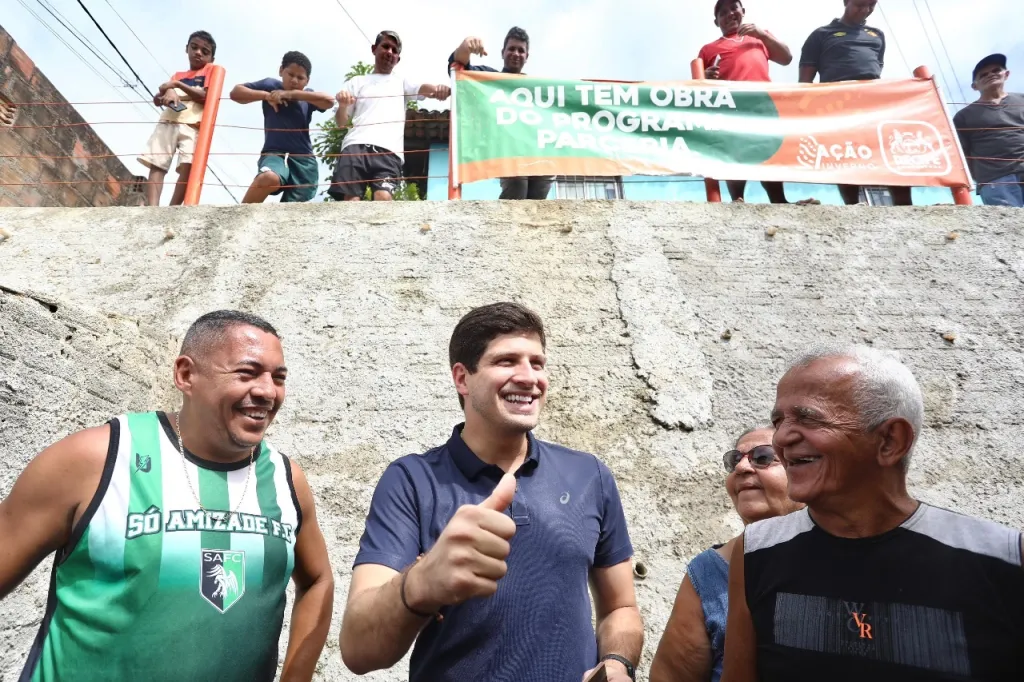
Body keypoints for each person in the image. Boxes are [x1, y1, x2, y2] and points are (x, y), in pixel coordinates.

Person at [1, 310, 334, 682]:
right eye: (247, 372)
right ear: (186, 375)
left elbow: (318, 579)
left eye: (279, 377)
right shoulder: (95, 459)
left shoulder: (286, 480)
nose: (267, 391)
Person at [339, 302, 643, 682]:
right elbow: (357, 650)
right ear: (462, 378)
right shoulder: (411, 480)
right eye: (507, 361)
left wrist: (617, 663)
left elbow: (621, 608)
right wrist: (419, 584)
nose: (529, 377)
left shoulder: (589, 475)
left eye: (537, 362)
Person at [721, 344, 1024, 682]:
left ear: (890, 441)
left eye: (808, 418)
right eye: (779, 421)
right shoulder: (757, 553)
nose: (782, 438)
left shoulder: (1004, 561)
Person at [649, 425, 802, 682]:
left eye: (762, 457)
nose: (741, 468)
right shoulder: (708, 572)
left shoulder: (841, 559)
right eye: (734, 460)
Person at [700, 1, 818, 205]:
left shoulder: (760, 38)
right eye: (723, 12)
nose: (730, 14)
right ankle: (737, 200)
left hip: (763, 105)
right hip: (730, 107)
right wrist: (704, 76)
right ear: (716, 21)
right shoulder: (709, 49)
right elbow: (696, 85)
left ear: (743, 12)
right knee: (735, 151)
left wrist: (761, 34)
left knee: (768, 151)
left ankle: (779, 201)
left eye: (734, 8)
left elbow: (786, 57)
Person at [799, 1, 912, 207]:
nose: (865, 9)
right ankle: (852, 205)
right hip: (837, 104)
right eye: (860, 4)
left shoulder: (877, 35)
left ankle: (904, 205)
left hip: (874, 102)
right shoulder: (821, 34)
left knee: (888, 151)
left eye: (871, 5)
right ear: (846, 2)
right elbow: (805, 81)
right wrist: (807, 110)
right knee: (844, 153)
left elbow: (876, 66)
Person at [328, 31, 450, 201]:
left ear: (398, 59)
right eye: (385, 46)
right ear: (374, 49)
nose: (390, 52)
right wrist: (342, 105)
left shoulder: (401, 82)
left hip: (389, 152)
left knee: (383, 199)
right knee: (351, 202)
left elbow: (423, 88)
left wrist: (439, 90)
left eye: (394, 50)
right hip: (355, 146)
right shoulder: (356, 82)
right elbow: (341, 123)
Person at [450, 27, 553, 201]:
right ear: (502, 53)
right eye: (511, 49)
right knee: (518, 184)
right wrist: (466, 45)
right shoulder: (488, 78)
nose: (516, 53)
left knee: (545, 180)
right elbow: (459, 67)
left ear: (526, 57)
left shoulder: (535, 89)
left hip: (533, 149)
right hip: (505, 150)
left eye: (521, 50)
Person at [230, 51, 335, 204]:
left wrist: (291, 95)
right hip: (275, 154)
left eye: (300, 78)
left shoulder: (307, 96)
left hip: (303, 160)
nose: (294, 80)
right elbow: (235, 93)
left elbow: (329, 101)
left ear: (307, 81)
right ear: (281, 71)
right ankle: (237, 219)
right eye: (290, 74)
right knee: (268, 177)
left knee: (293, 208)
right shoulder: (270, 85)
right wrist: (266, 96)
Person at [138, 30, 217, 207]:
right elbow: (158, 99)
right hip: (169, 120)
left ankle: (173, 208)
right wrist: (167, 92)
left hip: (192, 124)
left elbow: (205, 95)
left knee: (188, 166)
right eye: (194, 47)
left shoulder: (210, 71)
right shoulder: (177, 75)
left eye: (205, 51)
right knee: (157, 163)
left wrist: (175, 86)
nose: (198, 53)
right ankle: (153, 207)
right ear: (187, 48)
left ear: (211, 58)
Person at [953, 54, 1024, 207]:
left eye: (996, 70)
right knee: (1009, 228)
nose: (990, 75)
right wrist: (981, 178)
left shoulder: (1022, 100)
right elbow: (962, 155)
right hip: (996, 180)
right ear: (974, 86)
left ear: (1007, 74)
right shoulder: (963, 116)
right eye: (983, 75)